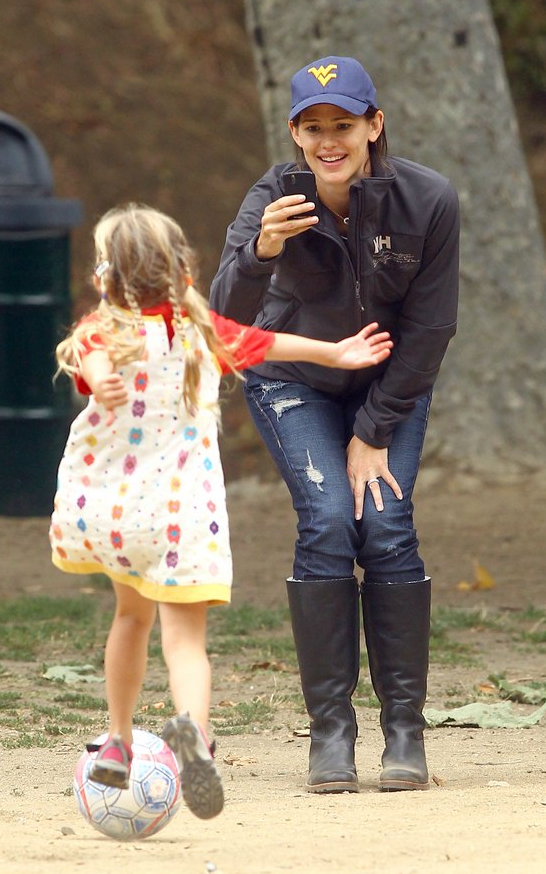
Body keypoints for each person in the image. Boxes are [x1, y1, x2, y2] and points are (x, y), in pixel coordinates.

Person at [49, 203, 393, 819]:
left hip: (123, 518)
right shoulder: (201, 331)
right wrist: (336, 354)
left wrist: (101, 380)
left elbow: (93, 357)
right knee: (186, 643)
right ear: (181, 267)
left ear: (106, 278)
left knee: (130, 620)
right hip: (183, 516)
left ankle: (121, 741)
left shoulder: (105, 333)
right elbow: (270, 342)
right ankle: (194, 737)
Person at [210, 56, 460, 794]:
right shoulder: (274, 199)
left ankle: (405, 732)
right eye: (312, 127)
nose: (329, 141)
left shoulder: (428, 201)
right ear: (294, 133)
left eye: (343, 126)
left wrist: (374, 429)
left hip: (389, 386)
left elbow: (432, 328)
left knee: (383, 523)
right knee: (327, 517)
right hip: (294, 382)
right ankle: (331, 735)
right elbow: (224, 318)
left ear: (373, 127)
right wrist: (262, 251)